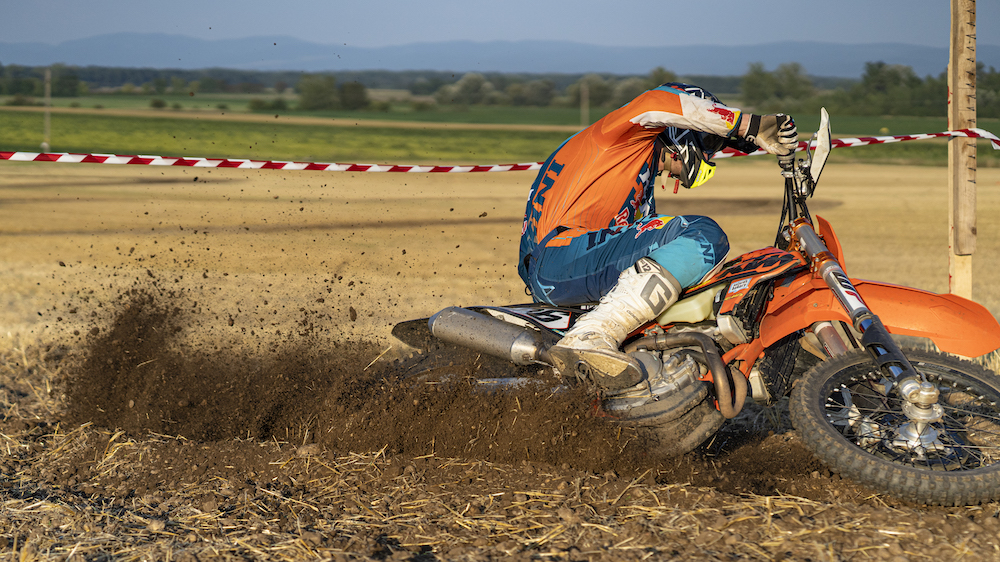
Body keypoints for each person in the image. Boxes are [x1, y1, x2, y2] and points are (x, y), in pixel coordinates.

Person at [518, 82, 797, 391]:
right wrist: (746, 124)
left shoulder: (633, 169)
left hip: (567, 263)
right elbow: (654, 101)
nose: (708, 153)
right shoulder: (620, 136)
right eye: (707, 142)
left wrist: (741, 137)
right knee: (703, 236)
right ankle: (593, 333)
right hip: (563, 256)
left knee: (677, 265)